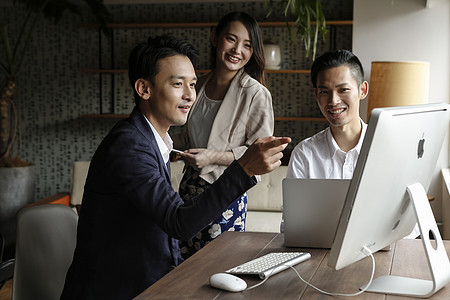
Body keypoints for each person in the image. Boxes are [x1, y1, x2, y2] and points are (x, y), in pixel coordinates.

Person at [60, 35, 290, 299]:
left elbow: (164, 229)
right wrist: (243, 168)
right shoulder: (129, 146)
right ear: (144, 89)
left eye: (192, 84)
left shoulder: (153, 141)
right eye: (177, 84)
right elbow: (179, 222)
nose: (190, 94)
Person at [174, 12, 274, 258]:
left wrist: (213, 157)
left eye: (247, 45)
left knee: (217, 268)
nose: (237, 50)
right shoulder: (196, 86)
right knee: (180, 267)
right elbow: (187, 135)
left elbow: (260, 155)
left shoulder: (255, 93)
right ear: (214, 37)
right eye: (231, 39)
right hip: (188, 189)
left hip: (226, 193)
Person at [286, 50, 368, 179]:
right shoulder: (304, 154)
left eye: (343, 90)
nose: (333, 101)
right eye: (324, 92)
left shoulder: (386, 147)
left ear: (362, 90)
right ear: (316, 94)